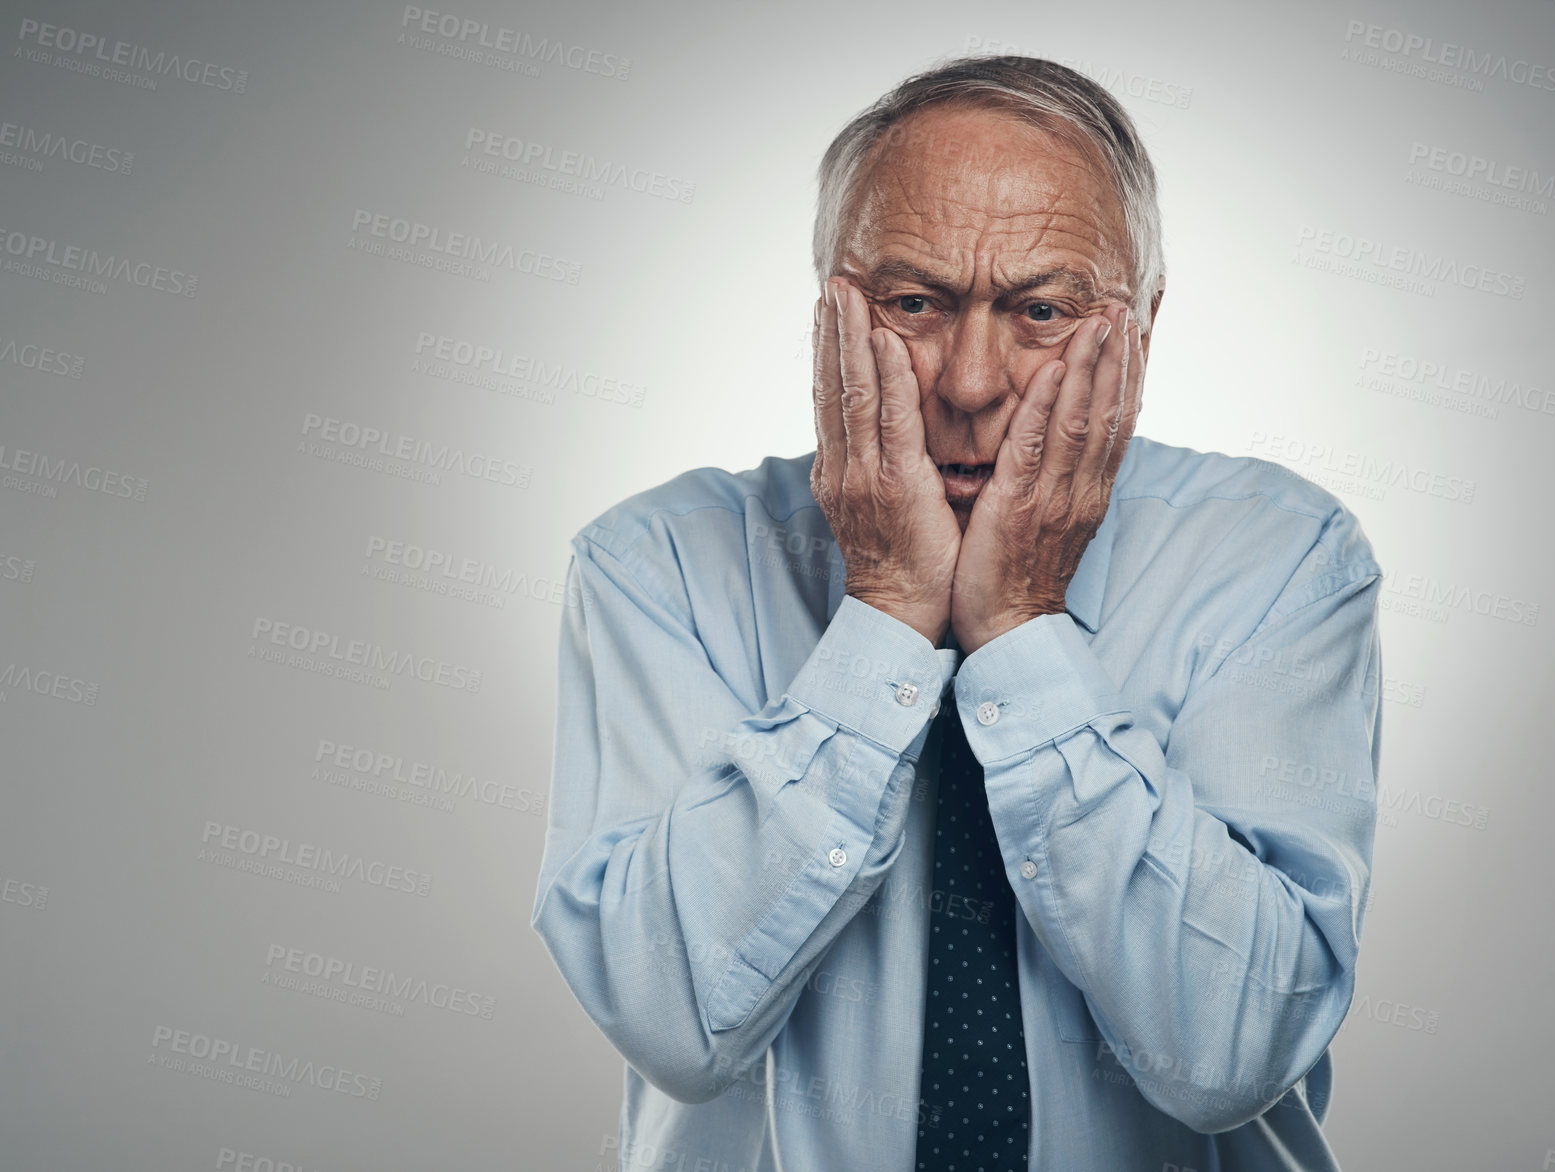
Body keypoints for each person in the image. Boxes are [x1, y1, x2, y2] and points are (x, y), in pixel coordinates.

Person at [532, 53, 1383, 1171]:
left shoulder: (1279, 556)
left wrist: (1022, 628)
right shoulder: (653, 564)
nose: (971, 382)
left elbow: (1231, 1051)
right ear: (831, 309)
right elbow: (677, 1021)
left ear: (1138, 329)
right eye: (915, 303)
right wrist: (885, 611)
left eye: (1038, 310)